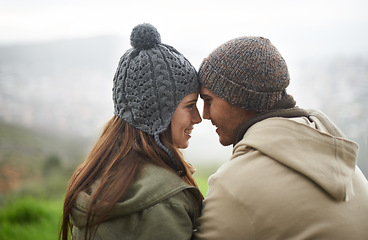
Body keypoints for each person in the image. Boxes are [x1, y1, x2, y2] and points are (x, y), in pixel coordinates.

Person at [193, 36, 368, 240]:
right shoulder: (345, 164)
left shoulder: (233, 185)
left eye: (208, 101)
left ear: (239, 98)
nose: (204, 114)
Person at [60, 23, 203, 240]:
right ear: (158, 112)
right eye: (190, 105)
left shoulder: (96, 178)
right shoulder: (165, 201)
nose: (198, 118)